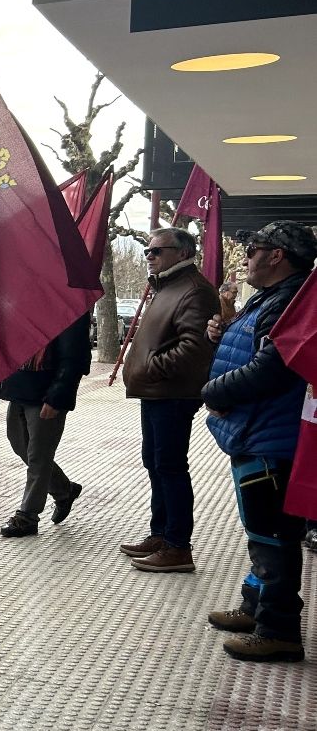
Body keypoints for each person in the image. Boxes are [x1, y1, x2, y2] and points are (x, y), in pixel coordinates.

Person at [202, 221, 316, 663]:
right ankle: (256, 607)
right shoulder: (275, 298)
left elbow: (274, 366)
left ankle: (279, 629)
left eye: (253, 248)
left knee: (272, 536)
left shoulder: (292, 300)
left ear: (278, 256)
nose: (245, 256)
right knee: (261, 531)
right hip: (258, 431)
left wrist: (214, 392)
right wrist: (227, 328)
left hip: (272, 437)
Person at [120, 227, 219, 573]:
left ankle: (178, 545)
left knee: (171, 466)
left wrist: (150, 367)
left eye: (156, 251)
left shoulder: (193, 290)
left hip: (173, 393)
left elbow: (195, 348)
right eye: (147, 251)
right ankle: (160, 534)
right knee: (155, 462)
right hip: (156, 391)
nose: (149, 256)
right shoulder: (167, 286)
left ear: (181, 253)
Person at [0, 311, 92, 539]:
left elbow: (75, 357)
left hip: (46, 392)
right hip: (19, 385)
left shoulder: (70, 306)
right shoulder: (28, 303)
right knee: (19, 444)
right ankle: (64, 490)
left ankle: (28, 516)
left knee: (39, 455)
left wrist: (57, 396)